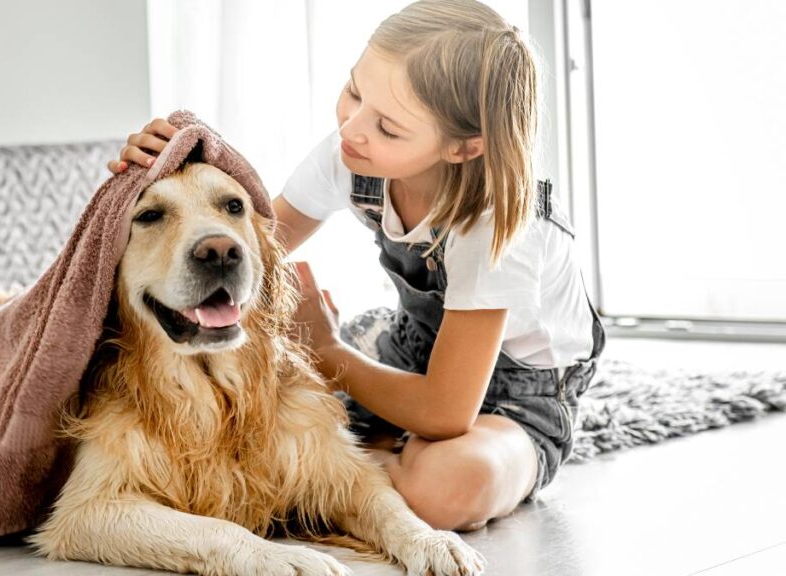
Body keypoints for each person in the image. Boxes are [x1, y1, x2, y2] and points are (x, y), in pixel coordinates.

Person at [108, 0, 605, 532]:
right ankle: (373, 453)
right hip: (410, 348)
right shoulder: (353, 154)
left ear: (464, 147)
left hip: (516, 398)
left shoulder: (497, 225)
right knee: (279, 420)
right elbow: (257, 246)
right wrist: (170, 159)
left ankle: (345, 473)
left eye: (388, 126)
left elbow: (446, 412)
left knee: (446, 489)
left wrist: (327, 351)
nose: (353, 126)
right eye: (354, 90)